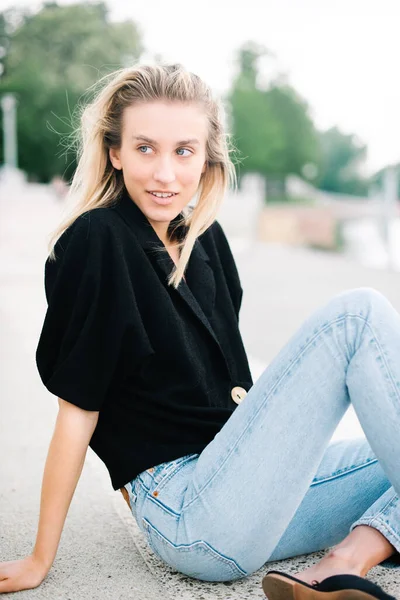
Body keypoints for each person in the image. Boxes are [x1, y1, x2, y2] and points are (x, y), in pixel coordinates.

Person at [0, 63, 399, 599]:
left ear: (206, 156)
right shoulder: (97, 240)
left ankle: (339, 566)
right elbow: (78, 407)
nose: (165, 173)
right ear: (115, 152)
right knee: (357, 316)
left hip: (243, 486)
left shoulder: (203, 239)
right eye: (145, 149)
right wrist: (40, 557)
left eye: (183, 151)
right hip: (191, 513)